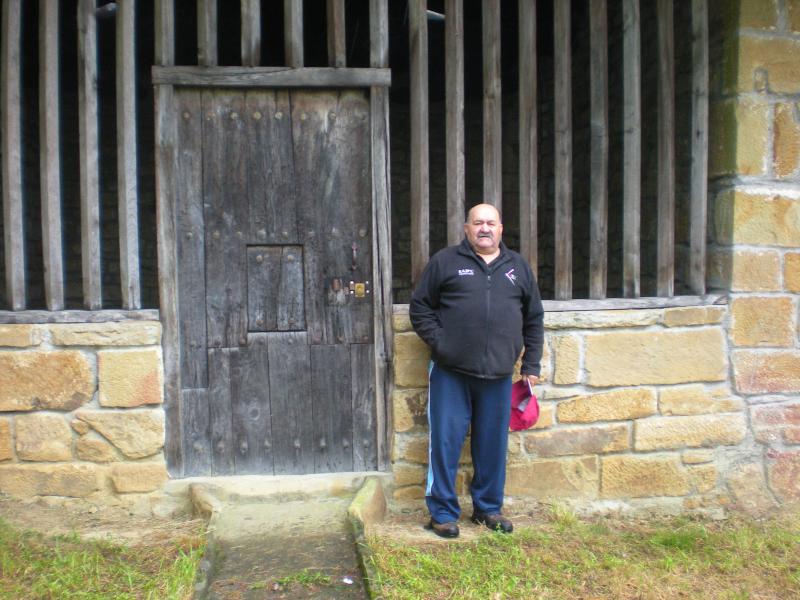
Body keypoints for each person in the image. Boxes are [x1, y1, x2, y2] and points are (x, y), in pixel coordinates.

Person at [409, 203, 544, 538]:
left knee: (492, 445)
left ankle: (487, 509)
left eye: (491, 223)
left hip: (498, 375)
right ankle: (442, 513)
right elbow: (420, 307)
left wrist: (531, 364)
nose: (485, 228)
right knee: (445, 442)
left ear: (501, 229)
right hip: (450, 373)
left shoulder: (517, 267)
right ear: (467, 228)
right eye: (478, 222)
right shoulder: (445, 262)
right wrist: (442, 343)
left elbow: (534, 318)